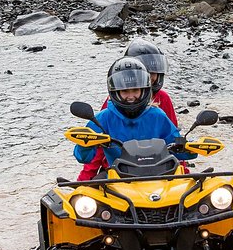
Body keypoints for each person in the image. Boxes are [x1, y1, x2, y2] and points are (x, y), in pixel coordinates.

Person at [77, 39, 179, 180]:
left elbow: (174, 142)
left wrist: (183, 171)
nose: (130, 96)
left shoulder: (160, 110)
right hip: (116, 172)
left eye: (152, 72)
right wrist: (84, 180)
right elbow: (96, 145)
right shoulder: (109, 111)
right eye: (125, 91)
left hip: (157, 169)